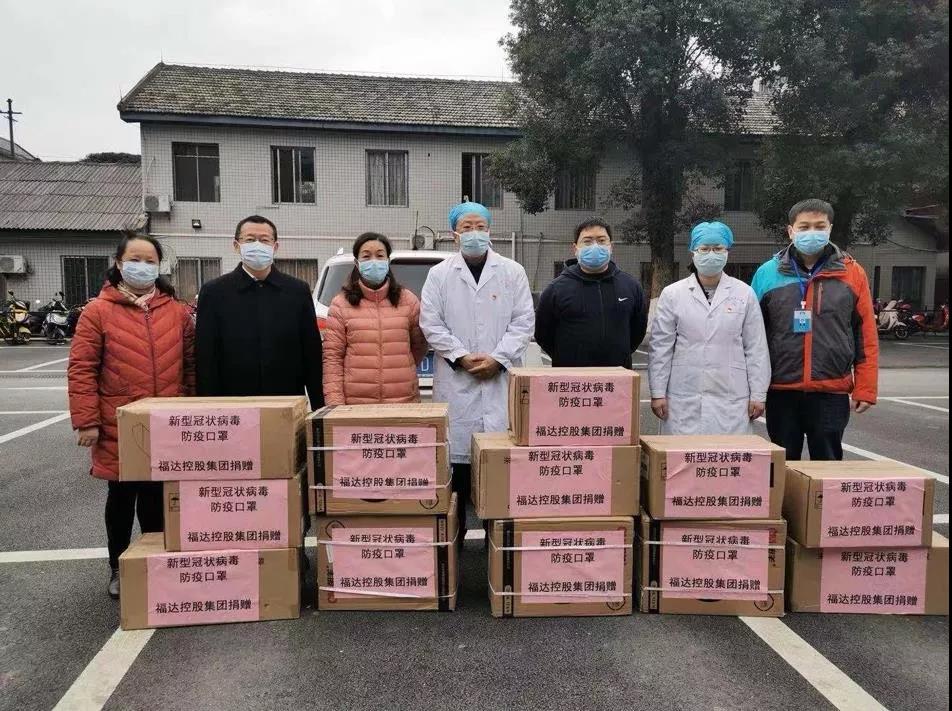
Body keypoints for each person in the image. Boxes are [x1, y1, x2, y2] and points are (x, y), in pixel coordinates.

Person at [68, 233, 195, 598]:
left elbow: (190, 367)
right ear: (119, 263)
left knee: (157, 500)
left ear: (159, 266)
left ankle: (154, 561)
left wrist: (191, 410)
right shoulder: (97, 312)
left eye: (150, 261)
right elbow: (82, 368)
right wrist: (87, 421)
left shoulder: (177, 312)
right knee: (121, 499)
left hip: (167, 423)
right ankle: (119, 566)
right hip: (118, 422)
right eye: (135, 260)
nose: (143, 267)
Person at [420, 201, 535, 535]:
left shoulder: (512, 271)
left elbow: (523, 322)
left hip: (500, 382)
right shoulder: (439, 275)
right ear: (454, 234)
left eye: (480, 227)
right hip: (457, 382)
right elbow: (431, 324)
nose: (474, 233)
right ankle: (453, 552)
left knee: (500, 479)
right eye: (466, 228)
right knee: (456, 482)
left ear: (489, 231)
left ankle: (496, 552)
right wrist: (460, 356)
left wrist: (498, 359)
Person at [751, 199, 878, 460]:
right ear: (791, 231)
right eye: (804, 226)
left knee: (828, 464)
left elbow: (865, 332)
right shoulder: (767, 273)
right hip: (781, 389)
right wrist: (753, 390)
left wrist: (865, 387)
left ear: (830, 229)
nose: (812, 232)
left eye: (819, 226)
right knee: (783, 465)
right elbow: (751, 336)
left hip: (831, 389)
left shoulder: (852, 273)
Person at [648, 222, 770, 435]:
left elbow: (756, 347)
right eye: (704, 249)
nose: (711, 254)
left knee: (728, 453)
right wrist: (658, 392)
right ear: (693, 252)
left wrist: (758, 394)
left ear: (727, 251)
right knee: (683, 453)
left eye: (718, 248)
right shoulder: (673, 294)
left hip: (731, 395)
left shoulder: (744, 293)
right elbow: (661, 347)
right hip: (683, 395)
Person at [195, 215, 324, 410]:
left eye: (264, 240)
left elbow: (311, 353)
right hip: (232, 404)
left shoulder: (297, 291)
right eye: (250, 239)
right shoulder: (214, 292)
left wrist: (318, 408)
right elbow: (206, 357)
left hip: (286, 402)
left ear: (275, 246)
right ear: (236, 245)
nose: (257, 245)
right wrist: (208, 407)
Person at [322, 232, 428, 404]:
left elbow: (419, 346)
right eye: (366, 256)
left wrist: (399, 369)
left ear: (388, 261)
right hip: (357, 404)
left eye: (380, 256)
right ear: (357, 263)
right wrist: (335, 404)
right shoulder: (341, 304)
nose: (374, 261)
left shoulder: (408, 300)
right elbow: (333, 358)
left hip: (402, 401)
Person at [535, 217, 648, 367]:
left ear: (611, 246)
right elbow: (543, 335)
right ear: (575, 248)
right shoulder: (556, 289)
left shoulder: (631, 287)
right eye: (587, 241)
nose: (595, 246)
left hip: (617, 376)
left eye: (601, 241)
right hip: (570, 378)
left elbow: (637, 332)